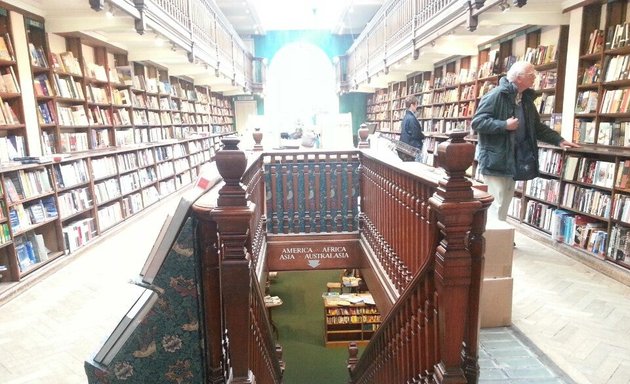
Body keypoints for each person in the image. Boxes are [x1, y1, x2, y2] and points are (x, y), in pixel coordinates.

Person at [472, 61, 580, 221]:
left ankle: (502, 238)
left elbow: (535, 127)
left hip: (515, 159)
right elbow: (477, 122)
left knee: (505, 201)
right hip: (496, 159)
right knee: (496, 202)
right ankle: (491, 241)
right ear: (519, 78)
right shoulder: (496, 95)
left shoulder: (525, 100)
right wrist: (503, 125)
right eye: (531, 75)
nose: (535, 78)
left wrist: (559, 140)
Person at [398, 95, 425, 161]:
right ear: (412, 105)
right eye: (416, 104)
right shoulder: (411, 118)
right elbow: (416, 134)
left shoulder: (405, 117)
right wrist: (423, 136)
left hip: (404, 147)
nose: (417, 106)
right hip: (410, 149)